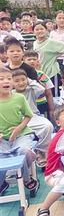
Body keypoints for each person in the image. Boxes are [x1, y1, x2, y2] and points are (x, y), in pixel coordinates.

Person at [0, 67, 39, 196]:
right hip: (3, 140)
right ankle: (2, 183)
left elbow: (28, 116)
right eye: (1, 79)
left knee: (24, 151)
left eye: (8, 78)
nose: (6, 81)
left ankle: (26, 179)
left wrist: (18, 129)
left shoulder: (19, 98)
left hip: (22, 135)